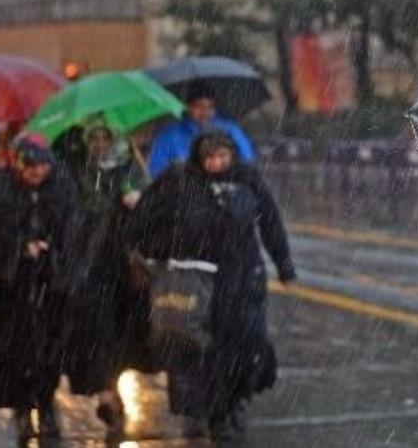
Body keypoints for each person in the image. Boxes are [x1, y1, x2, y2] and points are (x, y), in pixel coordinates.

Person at [126, 129, 295, 442]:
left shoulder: (247, 180)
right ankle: (213, 414)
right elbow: (145, 221)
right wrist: (156, 252)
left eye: (222, 157)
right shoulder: (179, 182)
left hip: (243, 281)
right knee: (202, 350)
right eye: (210, 158)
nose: (216, 163)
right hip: (199, 283)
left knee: (246, 346)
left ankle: (235, 402)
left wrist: (284, 263)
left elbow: (270, 220)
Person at [0, 134, 73, 440]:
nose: (37, 173)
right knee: (15, 345)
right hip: (12, 283)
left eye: (42, 166)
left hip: (51, 280)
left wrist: (53, 248)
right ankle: (20, 406)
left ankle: (45, 403)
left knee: (50, 345)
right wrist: (18, 247)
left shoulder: (61, 186)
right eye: (30, 166)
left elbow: (74, 225)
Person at [59, 124, 146, 435]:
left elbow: (147, 209)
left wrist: (135, 199)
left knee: (126, 331)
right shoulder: (76, 169)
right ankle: (107, 393)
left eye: (104, 138)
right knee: (97, 330)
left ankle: (113, 386)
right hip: (89, 262)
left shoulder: (129, 167)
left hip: (124, 264)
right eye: (93, 139)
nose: (98, 144)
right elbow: (71, 210)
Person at [147, 81, 255, 177]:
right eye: (199, 106)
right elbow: (156, 172)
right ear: (187, 107)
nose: (205, 112)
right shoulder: (169, 136)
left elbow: (248, 161)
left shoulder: (230, 130)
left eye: (210, 107)